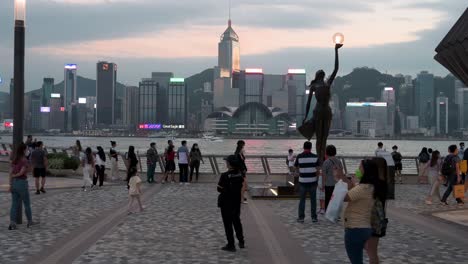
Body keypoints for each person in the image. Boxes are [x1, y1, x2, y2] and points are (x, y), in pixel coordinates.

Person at [299, 43, 342, 162]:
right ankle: (320, 158)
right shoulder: (314, 86)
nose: (322, 73)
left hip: (326, 112)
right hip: (318, 112)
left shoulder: (327, 84)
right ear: (318, 75)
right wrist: (305, 116)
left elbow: (336, 69)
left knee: (325, 137)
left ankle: (323, 157)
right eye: (320, 73)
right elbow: (308, 103)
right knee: (319, 137)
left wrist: (336, 51)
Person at [340, 159, 380, 264]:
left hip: (355, 229)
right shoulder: (373, 186)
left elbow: (345, 197)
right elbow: (357, 194)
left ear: (365, 171)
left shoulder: (362, 188)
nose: (357, 169)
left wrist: (341, 177)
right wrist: (353, 183)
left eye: (360, 167)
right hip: (367, 227)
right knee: (373, 255)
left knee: (356, 260)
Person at [217, 155, 245, 252]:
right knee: (237, 221)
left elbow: (219, 189)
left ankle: (231, 245)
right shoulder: (240, 174)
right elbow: (241, 185)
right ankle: (241, 241)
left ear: (229, 164)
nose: (226, 163)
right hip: (236, 202)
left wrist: (225, 189)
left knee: (228, 224)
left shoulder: (224, 175)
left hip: (226, 202)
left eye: (227, 161)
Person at [8, 143, 39, 230]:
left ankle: (12, 223)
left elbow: (10, 172)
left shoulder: (14, 160)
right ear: (23, 150)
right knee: (27, 203)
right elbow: (22, 172)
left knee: (14, 204)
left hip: (14, 183)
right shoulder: (24, 160)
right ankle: (30, 221)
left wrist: (10, 184)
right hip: (22, 183)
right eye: (26, 149)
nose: (27, 151)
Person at [366, 157, 389, 264]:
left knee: (371, 252)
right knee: (371, 251)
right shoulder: (383, 182)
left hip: (373, 221)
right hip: (378, 221)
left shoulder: (376, 183)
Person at [294, 141, 321, 223]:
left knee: (302, 200)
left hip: (302, 182)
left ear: (303, 147)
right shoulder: (315, 157)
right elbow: (318, 169)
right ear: (311, 147)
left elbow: (296, 168)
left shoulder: (299, 156)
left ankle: (301, 217)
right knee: (313, 200)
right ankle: (314, 217)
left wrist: (301, 171)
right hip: (313, 181)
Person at [322, 145, 343, 210]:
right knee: (336, 200)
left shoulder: (326, 162)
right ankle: (336, 213)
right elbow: (341, 173)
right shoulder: (339, 161)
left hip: (328, 184)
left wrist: (323, 185)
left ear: (327, 152)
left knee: (328, 199)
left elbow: (324, 175)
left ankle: (328, 213)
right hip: (337, 184)